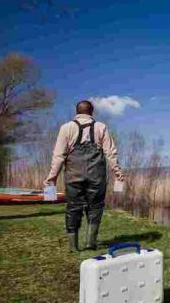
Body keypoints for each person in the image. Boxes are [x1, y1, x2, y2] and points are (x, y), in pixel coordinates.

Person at [44, 100, 125, 251]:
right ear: (92, 112)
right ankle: (90, 243)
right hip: (96, 174)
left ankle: (73, 246)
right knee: (95, 206)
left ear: (77, 112)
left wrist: (51, 178)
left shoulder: (66, 128)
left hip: (74, 173)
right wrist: (118, 174)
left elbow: (58, 156)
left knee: (73, 207)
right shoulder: (101, 127)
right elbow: (111, 154)